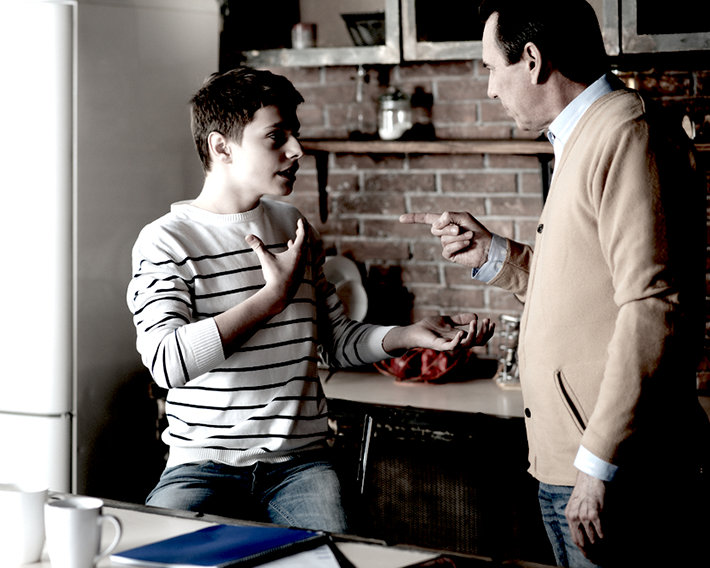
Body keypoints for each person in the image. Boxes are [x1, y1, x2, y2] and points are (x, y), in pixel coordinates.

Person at [401, 1, 710, 566]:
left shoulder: (626, 134)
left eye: (492, 68)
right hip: (576, 466)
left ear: (533, 59)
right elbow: (588, 286)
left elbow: (653, 306)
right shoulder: (584, 134)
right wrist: (496, 254)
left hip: (616, 473)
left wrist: (597, 464)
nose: (490, 88)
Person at [126, 67, 494, 534]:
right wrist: (271, 299)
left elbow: (334, 343)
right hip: (202, 466)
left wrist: (408, 335)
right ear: (221, 147)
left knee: (331, 560)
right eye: (276, 137)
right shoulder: (166, 241)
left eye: (294, 134)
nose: (296, 149)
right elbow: (166, 364)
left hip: (299, 467)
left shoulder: (293, 226)